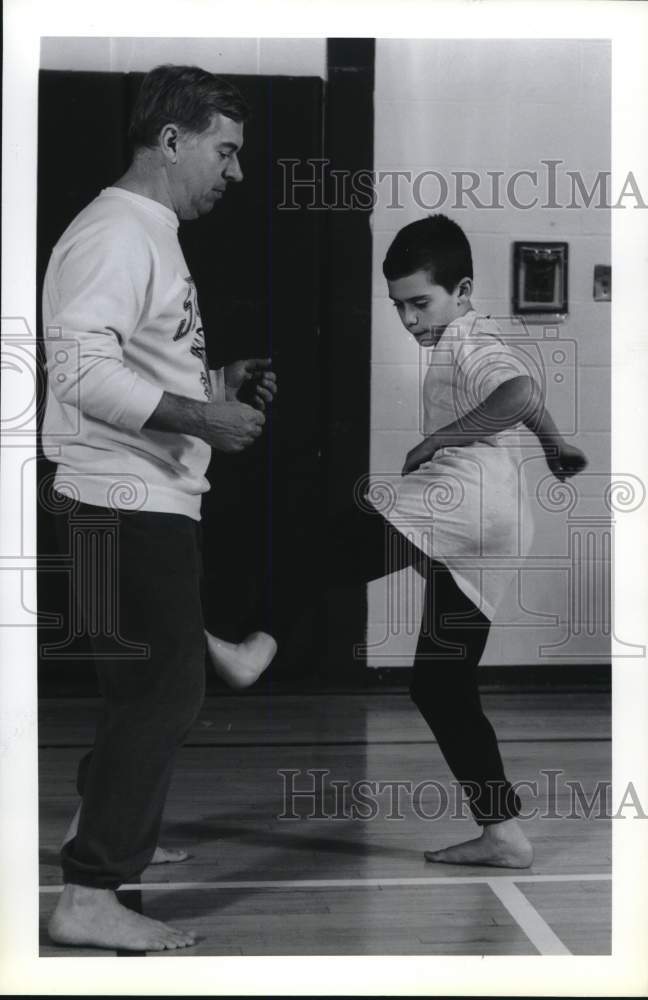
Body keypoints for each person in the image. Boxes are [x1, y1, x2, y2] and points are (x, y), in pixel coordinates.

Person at [42, 65, 276, 952]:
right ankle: (93, 891)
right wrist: (204, 414)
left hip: (121, 493)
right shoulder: (118, 234)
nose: (236, 170)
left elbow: (125, 361)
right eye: (226, 151)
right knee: (166, 692)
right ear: (171, 140)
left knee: (137, 687)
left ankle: (90, 840)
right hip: (125, 497)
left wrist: (212, 383)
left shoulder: (147, 231)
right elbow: (82, 374)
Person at [325, 214, 587, 866]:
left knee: (325, 552)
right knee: (441, 685)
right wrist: (554, 443)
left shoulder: (467, 341)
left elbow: (520, 388)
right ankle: (503, 834)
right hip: (498, 527)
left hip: (462, 506)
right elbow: (523, 401)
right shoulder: (465, 341)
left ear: (463, 292)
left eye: (421, 303)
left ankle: (254, 646)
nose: (410, 320)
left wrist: (436, 439)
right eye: (399, 307)